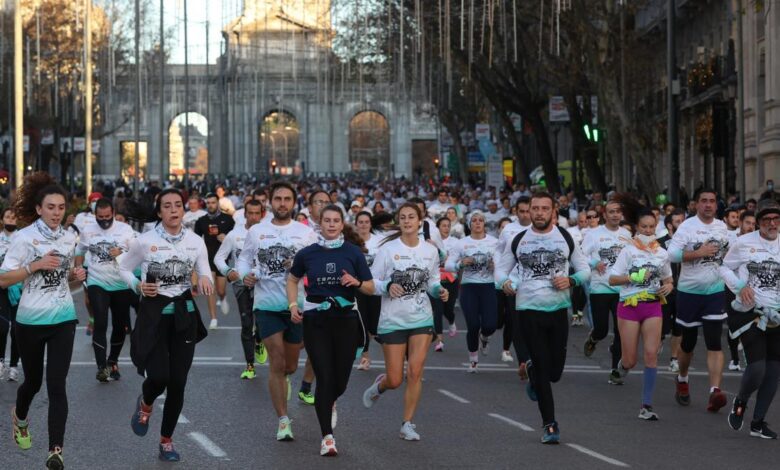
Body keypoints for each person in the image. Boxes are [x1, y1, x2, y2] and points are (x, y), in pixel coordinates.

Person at [0, 172, 86, 469]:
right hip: (29, 320)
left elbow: (67, 283)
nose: (56, 213)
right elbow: (2, 279)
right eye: (50, 207)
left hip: (63, 317)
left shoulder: (69, 237)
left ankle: (55, 450)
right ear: (38, 209)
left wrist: (75, 277)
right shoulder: (24, 238)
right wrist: (33, 266)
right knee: (33, 383)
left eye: (61, 207)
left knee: (56, 384)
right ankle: (20, 417)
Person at [123, 188, 213, 462]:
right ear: (159, 211)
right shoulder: (144, 241)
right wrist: (138, 284)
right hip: (155, 316)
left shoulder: (195, 241)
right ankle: (145, 403)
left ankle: (166, 441)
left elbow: (204, 268)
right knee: (160, 376)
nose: (173, 210)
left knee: (178, 383)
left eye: (178, 205)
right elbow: (124, 267)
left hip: (183, 317)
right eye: (167, 206)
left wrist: (206, 279)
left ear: (183, 210)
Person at [495, 192, 590, 444]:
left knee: (555, 372)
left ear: (553, 211)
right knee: (542, 367)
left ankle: (534, 371)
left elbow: (584, 270)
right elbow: (500, 272)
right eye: (534, 208)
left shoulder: (565, 237)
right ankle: (549, 424)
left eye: (543, 209)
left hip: (558, 310)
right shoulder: (519, 240)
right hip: (527, 310)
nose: (538, 213)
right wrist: (504, 283)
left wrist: (571, 280)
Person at [287, 204, 374, 456]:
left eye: (336, 220)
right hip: (316, 321)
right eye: (327, 220)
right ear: (320, 223)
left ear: (342, 223)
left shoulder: (353, 253)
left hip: (345, 320)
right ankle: (327, 437)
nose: (332, 224)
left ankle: (331, 400)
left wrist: (356, 282)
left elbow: (369, 287)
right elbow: (292, 279)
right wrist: (294, 304)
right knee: (324, 377)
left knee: (341, 381)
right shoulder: (307, 254)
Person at [236, 182, 317, 441]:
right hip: (266, 304)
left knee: (291, 365)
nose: (282, 203)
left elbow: (314, 266)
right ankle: (283, 420)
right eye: (278, 199)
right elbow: (244, 258)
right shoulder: (258, 231)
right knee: (277, 361)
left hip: (296, 306)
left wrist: (301, 267)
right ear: (270, 202)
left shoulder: (305, 234)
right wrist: (246, 274)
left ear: (294, 203)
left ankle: (285, 379)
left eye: (287, 199)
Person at [362, 203, 449, 441]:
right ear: (398, 222)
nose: (407, 221)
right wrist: (388, 286)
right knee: (395, 379)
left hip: (421, 317)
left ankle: (407, 424)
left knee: (415, 371)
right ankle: (381, 385)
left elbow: (432, 280)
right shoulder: (388, 250)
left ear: (420, 221)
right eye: (403, 217)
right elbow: (371, 283)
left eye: (412, 217)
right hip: (392, 319)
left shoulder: (429, 251)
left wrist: (439, 290)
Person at [607, 194, 674, 421]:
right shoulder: (628, 251)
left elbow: (668, 279)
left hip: (652, 306)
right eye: (644, 227)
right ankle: (622, 366)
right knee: (631, 360)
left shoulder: (662, 253)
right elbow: (613, 279)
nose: (647, 231)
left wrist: (668, 287)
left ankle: (646, 405)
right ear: (636, 227)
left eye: (651, 227)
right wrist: (635, 276)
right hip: (629, 305)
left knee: (651, 355)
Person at [721, 199, 780, 439]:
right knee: (757, 368)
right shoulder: (743, 243)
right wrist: (740, 287)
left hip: (777, 313)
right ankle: (741, 400)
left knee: (774, 371)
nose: (772, 224)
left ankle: (758, 422)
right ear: (758, 223)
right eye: (767, 220)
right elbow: (724, 268)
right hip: (751, 311)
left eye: (776, 219)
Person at [667, 188, 730, 412]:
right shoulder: (687, 227)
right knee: (689, 343)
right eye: (703, 201)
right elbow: (672, 254)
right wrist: (698, 252)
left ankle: (715, 391)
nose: (708, 205)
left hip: (714, 291)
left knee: (714, 341)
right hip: (689, 292)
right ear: (696, 204)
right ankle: (682, 379)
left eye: (712, 201)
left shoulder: (722, 227)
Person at [74, 198, 136, 383]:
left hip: (120, 283)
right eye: (100, 217)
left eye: (108, 216)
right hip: (97, 281)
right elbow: (79, 250)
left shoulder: (125, 230)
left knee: (120, 325)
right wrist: (78, 268)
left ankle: (113, 361)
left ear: (114, 213)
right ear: (95, 215)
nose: (104, 220)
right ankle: (102, 368)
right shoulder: (88, 230)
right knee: (100, 321)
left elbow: (137, 254)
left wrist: (123, 253)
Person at [214, 200, 267, 380]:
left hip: (263, 284)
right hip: (241, 285)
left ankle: (259, 340)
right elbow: (219, 258)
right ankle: (250, 366)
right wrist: (228, 271)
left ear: (262, 214)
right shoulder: (234, 235)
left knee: (261, 323)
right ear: (245, 215)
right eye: (250, 213)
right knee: (246, 325)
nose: (253, 217)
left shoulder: (268, 233)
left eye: (256, 213)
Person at [582, 201, 632, 384]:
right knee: (602, 329)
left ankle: (615, 372)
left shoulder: (627, 235)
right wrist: (595, 263)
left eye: (618, 211)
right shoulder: (593, 234)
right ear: (605, 215)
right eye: (611, 212)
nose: (615, 215)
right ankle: (594, 338)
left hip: (622, 288)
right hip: (600, 287)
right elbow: (581, 255)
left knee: (621, 332)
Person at [445, 211, 498, 372]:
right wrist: (460, 264)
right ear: (469, 225)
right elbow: (448, 265)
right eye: (474, 220)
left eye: (481, 220)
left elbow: (504, 264)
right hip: (469, 287)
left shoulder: (495, 243)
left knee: (490, 325)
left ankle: (485, 336)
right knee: (473, 325)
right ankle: (473, 360)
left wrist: (495, 266)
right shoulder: (461, 243)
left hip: (489, 286)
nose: (477, 223)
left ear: (484, 223)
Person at [194, 193, 235, 328]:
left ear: (218, 203)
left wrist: (227, 237)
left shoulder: (228, 219)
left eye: (213, 202)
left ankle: (222, 297)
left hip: (222, 259)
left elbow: (236, 237)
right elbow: (195, 240)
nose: (211, 205)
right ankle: (213, 318)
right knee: (210, 289)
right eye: (208, 202)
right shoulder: (201, 221)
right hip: (207, 258)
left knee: (220, 289)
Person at [354, 211, 384, 369]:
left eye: (366, 222)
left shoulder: (379, 242)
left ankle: (373, 341)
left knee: (374, 325)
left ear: (370, 224)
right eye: (361, 222)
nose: (364, 225)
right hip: (357, 288)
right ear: (356, 224)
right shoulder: (351, 242)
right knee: (362, 322)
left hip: (375, 287)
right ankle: (365, 358)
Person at [657, 209, 686, 373]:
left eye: (683, 221)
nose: (681, 225)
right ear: (669, 225)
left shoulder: (689, 242)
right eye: (677, 222)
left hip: (684, 290)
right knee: (661, 326)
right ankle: (658, 341)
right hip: (664, 290)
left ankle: (674, 359)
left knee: (679, 327)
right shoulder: (659, 243)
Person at [0, 207, 21, 382]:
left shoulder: (23, 239)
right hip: (1, 287)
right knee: (2, 327)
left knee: (16, 330)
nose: (10, 220)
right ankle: (0, 362)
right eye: (7, 217)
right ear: (2, 220)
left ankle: (14, 365)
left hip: (19, 289)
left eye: (13, 218)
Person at [433, 216, 459, 351]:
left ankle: (451, 320)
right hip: (437, 280)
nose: (446, 228)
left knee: (448, 309)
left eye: (448, 225)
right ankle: (439, 341)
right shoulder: (431, 242)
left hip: (451, 280)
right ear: (438, 228)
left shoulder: (455, 242)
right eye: (443, 225)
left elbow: (458, 261)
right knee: (438, 310)